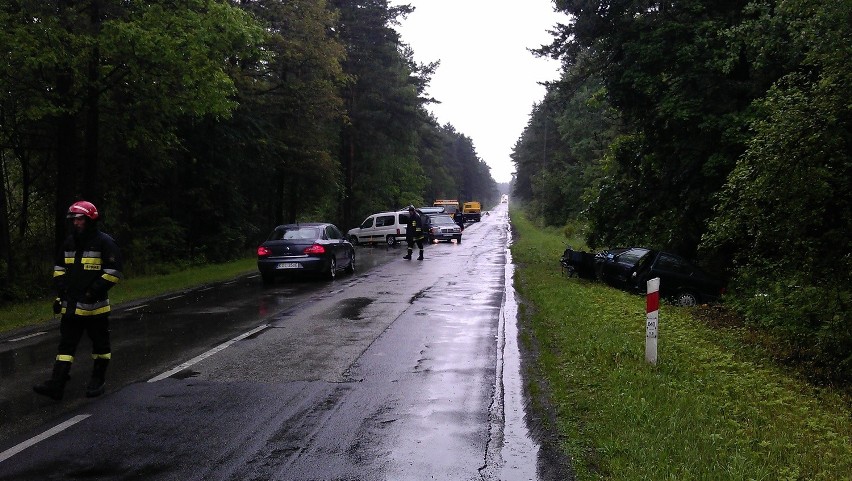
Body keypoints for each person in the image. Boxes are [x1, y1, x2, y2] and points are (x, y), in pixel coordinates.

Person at [33, 200, 123, 400]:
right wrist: (62, 290)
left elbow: (113, 272)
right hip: (71, 307)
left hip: (95, 309)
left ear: (90, 219)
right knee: (66, 348)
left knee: (100, 347)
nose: (76, 223)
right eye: (73, 219)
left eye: (80, 219)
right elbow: (59, 269)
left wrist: (92, 292)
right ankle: (57, 384)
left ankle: (97, 380)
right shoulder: (69, 243)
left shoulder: (105, 242)